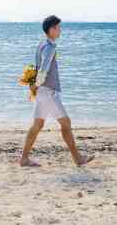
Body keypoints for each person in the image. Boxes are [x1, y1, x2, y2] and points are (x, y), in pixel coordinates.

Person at [19, 15, 95, 167]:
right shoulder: (50, 46)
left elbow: (37, 67)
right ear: (52, 29)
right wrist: (37, 84)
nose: (60, 30)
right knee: (66, 123)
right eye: (58, 27)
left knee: (37, 125)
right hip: (48, 92)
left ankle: (24, 159)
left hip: (41, 92)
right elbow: (44, 69)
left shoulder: (41, 44)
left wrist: (35, 86)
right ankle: (78, 159)